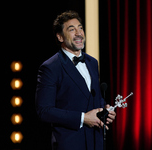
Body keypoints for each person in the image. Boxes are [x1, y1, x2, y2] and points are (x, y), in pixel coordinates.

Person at [35, 10, 116, 150]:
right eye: (71, 29)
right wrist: (83, 118)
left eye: (80, 28)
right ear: (60, 37)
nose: (79, 33)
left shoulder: (92, 62)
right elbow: (44, 111)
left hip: (96, 142)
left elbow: (91, 97)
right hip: (70, 143)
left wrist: (105, 110)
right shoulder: (50, 67)